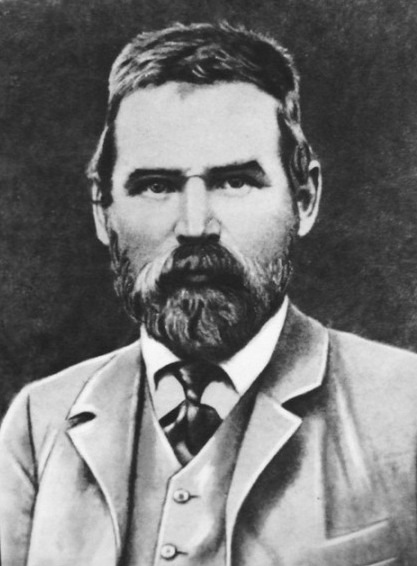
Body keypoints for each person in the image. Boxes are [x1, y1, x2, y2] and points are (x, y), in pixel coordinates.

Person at [0, 22, 416, 566]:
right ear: (103, 209)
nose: (195, 226)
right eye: (157, 186)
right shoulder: (39, 422)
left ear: (305, 198)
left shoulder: (408, 407)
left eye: (235, 181)